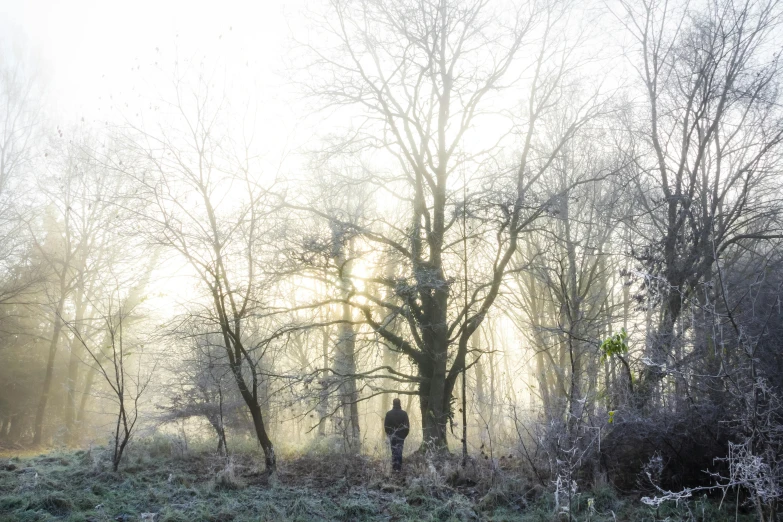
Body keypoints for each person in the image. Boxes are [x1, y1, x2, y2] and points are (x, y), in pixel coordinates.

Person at [384, 398, 409, 472]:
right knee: (399, 451)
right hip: (401, 436)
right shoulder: (404, 413)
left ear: (393, 403)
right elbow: (407, 426)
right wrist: (404, 436)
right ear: (400, 403)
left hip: (392, 435)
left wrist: (389, 434)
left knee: (394, 451)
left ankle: (394, 467)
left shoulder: (389, 413)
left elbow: (386, 426)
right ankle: (399, 468)